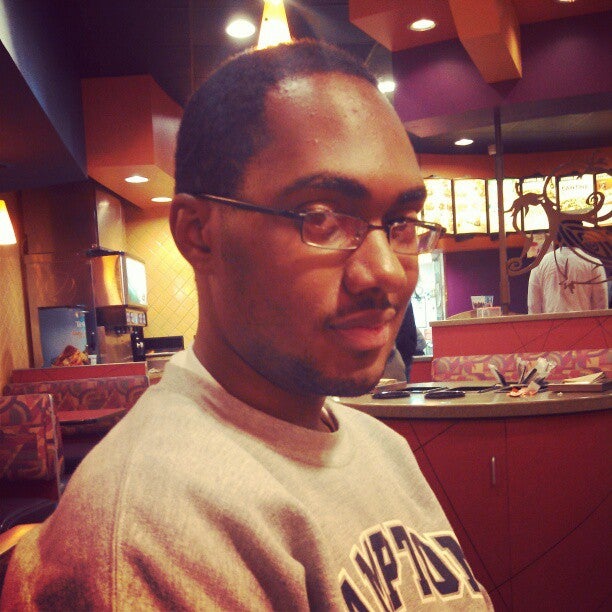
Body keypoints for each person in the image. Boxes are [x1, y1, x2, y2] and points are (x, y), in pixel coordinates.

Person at [2, 40, 492, 610]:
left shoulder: (382, 446)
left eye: (402, 222)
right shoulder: (153, 527)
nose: (385, 271)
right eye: (321, 217)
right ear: (198, 234)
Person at [528, 223, 608, 313]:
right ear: (582, 237)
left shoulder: (539, 264)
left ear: (557, 237)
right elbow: (601, 308)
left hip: (552, 321)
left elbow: (533, 306)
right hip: (583, 321)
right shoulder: (594, 264)